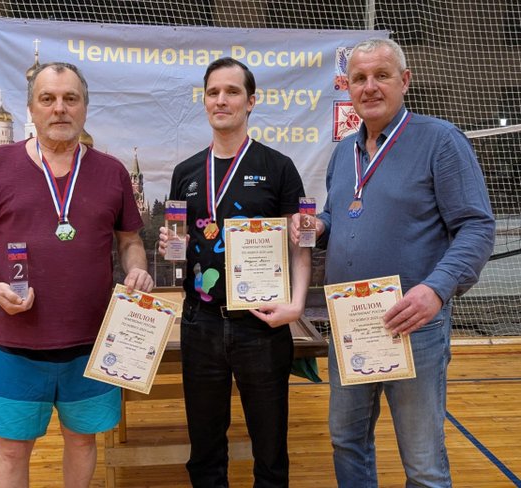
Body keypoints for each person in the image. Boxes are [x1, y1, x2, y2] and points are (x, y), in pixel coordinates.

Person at [290, 38, 495, 487]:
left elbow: (477, 227)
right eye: (359, 78)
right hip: (351, 322)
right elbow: (342, 212)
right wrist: (319, 225)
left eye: (381, 76)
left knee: (422, 462)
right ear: (347, 87)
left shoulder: (441, 141)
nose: (369, 87)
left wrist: (436, 290)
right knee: (347, 441)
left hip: (413, 325)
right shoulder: (345, 151)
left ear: (404, 81)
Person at [0, 62, 153, 488]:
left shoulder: (112, 171)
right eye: (48, 99)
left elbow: (130, 240)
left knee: (82, 442)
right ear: (31, 109)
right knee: (11, 449)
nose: (60, 108)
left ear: (84, 107)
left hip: (92, 344)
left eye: (70, 98)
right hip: (15, 342)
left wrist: (137, 268)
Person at [158, 57, 311, 487]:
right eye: (213, 92)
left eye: (232, 91)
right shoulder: (187, 172)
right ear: (205, 101)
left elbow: (300, 243)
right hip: (201, 323)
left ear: (251, 102)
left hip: (261, 325)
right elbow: (180, 248)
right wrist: (171, 248)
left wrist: (297, 305)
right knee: (205, 451)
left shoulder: (278, 166)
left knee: (270, 451)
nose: (221, 100)